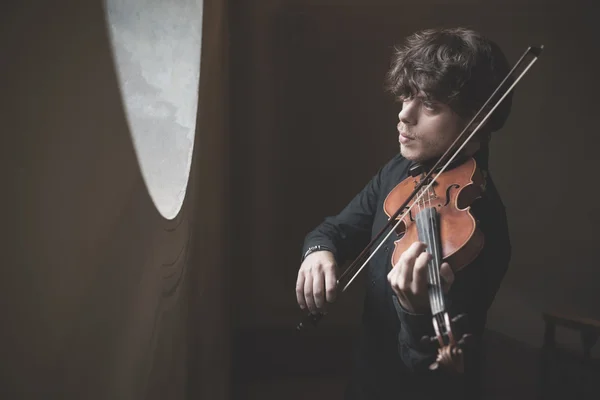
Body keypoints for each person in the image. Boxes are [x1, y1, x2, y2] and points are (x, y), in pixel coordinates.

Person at [295, 27, 514, 399]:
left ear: (477, 118)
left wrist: (416, 314)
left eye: (429, 105)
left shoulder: (482, 227)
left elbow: (438, 377)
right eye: (406, 95)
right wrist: (319, 252)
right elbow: (335, 229)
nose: (403, 114)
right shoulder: (398, 171)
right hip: (365, 379)